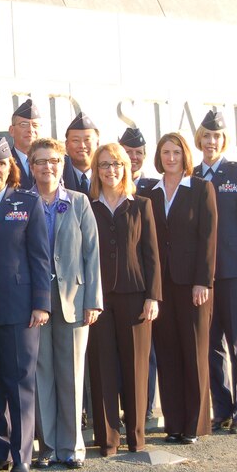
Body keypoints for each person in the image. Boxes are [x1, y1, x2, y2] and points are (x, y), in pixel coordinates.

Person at [0, 135, 50, 472]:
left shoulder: (27, 203)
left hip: (19, 310)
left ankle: (22, 456)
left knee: (18, 385)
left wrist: (41, 304)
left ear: (10, 168)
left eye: (1, 164)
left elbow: (39, 257)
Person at [27, 138, 101, 469]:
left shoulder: (79, 202)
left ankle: (72, 447)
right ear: (31, 166)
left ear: (62, 164)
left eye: (54, 160)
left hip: (73, 300)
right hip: (36, 303)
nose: (48, 167)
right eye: (41, 161)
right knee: (41, 373)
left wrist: (93, 301)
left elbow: (91, 254)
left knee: (71, 372)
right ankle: (49, 447)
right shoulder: (22, 202)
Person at [140, 133, 217, 444]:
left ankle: (195, 425)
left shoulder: (201, 189)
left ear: (185, 155)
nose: (170, 158)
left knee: (194, 353)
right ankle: (174, 424)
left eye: (176, 152)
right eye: (165, 152)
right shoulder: (151, 192)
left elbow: (208, 238)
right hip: (162, 286)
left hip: (192, 285)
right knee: (168, 353)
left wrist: (204, 280)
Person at [87, 143, 161, 456]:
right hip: (100, 299)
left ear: (125, 168)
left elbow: (152, 255)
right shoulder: (88, 206)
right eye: (104, 165)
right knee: (102, 368)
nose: (111, 170)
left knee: (135, 368)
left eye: (116, 164)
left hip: (135, 296)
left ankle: (136, 437)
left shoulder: (141, 204)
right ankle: (108, 439)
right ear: (96, 170)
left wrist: (152, 297)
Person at [193, 110, 237, 435]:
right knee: (211, 345)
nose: (211, 142)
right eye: (206, 136)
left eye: (216, 136)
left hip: (235, 273)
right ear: (199, 139)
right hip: (205, 277)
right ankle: (221, 408)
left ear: (223, 140)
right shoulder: (192, 176)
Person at [118, 126, 159, 419]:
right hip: (122, 283)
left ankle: (144, 407)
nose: (133, 158)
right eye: (128, 152)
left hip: (149, 281)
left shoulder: (153, 190)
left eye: (139, 153)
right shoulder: (108, 186)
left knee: (148, 352)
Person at [62, 112, 100, 195]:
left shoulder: (106, 175)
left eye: (87, 140)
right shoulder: (59, 177)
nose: (82, 146)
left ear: (97, 144)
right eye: (75, 140)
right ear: (66, 145)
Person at [8, 100, 40, 190]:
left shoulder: (57, 161)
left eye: (35, 125)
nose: (30, 129)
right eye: (24, 124)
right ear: (12, 130)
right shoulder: (4, 161)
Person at [119, 127, 157, 192]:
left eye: (138, 152)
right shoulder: (110, 186)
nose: (134, 157)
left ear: (144, 155)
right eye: (128, 152)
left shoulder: (155, 188)